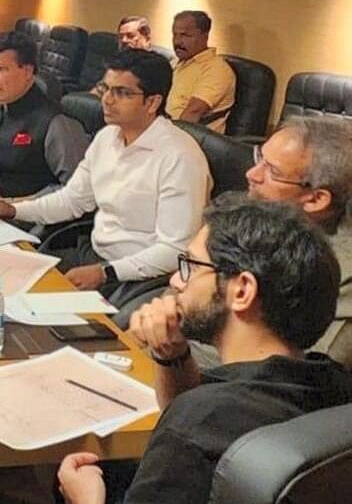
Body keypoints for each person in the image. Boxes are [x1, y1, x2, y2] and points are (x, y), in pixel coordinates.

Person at [58, 196, 352, 504]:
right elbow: (201, 407)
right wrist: (171, 355)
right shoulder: (333, 384)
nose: (175, 280)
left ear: (241, 291)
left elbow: (197, 421)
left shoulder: (194, 427)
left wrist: (85, 499)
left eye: (190, 266)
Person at [0, 50, 211, 328]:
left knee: (61, 329)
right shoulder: (107, 137)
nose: (107, 100)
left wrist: (105, 273)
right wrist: (14, 209)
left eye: (122, 93)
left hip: (141, 279)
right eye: (105, 89)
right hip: (93, 255)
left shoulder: (179, 156)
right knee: (4, 283)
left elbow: (175, 248)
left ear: (153, 102)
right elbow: (72, 201)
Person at [188, 116, 352, 368]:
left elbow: (307, 373)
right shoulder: (245, 211)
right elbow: (184, 284)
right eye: (259, 157)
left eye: (272, 171)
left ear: (316, 199)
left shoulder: (344, 271)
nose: (251, 174)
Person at [0, 30, 89, 198]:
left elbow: (77, 191)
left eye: (0, 69)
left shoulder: (56, 122)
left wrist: (16, 206)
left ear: (27, 72)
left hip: (32, 218)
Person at [166, 10, 235, 132]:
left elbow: (193, 113)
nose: (177, 42)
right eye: (175, 35)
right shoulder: (176, 62)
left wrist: (165, 140)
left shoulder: (217, 70)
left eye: (185, 35)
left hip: (189, 139)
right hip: (162, 129)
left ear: (205, 36)